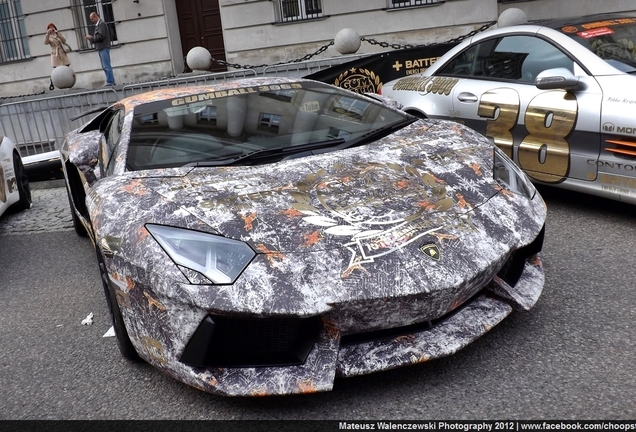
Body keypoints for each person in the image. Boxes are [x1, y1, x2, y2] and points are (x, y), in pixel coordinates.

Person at [85, 12, 115, 86]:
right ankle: (109, 81)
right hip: (101, 47)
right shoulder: (99, 24)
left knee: (106, 66)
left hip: (103, 47)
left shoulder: (101, 24)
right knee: (104, 66)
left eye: (92, 19)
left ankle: (110, 82)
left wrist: (92, 38)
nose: (92, 21)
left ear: (96, 16)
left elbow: (101, 36)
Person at [44, 23, 71, 90]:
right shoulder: (49, 36)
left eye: (52, 27)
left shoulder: (58, 34)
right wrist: (47, 34)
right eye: (50, 27)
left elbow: (64, 41)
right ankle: (56, 83)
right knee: (57, 69)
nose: (51, 29)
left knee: (66, 66)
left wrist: (58, 34)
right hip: (55, 54)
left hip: (62, 52)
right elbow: (46, 43)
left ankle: (67, 81)